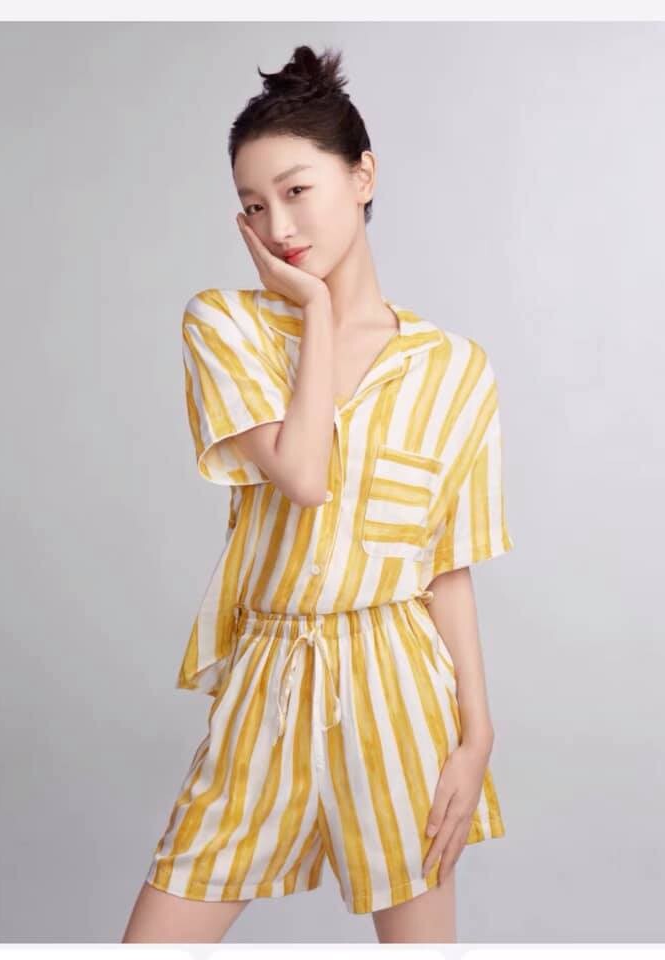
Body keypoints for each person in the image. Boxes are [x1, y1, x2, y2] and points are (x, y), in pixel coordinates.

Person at [122, 43, 514, 945]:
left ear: (363, 175)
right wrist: (317, 310)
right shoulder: (227, 324)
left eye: (297, 190)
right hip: (271, 673)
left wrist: (476, 734)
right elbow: (303, 476)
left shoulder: (455, 370)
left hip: (400, 680)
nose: (279, 224)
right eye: (255, 205)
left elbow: (446, 566)